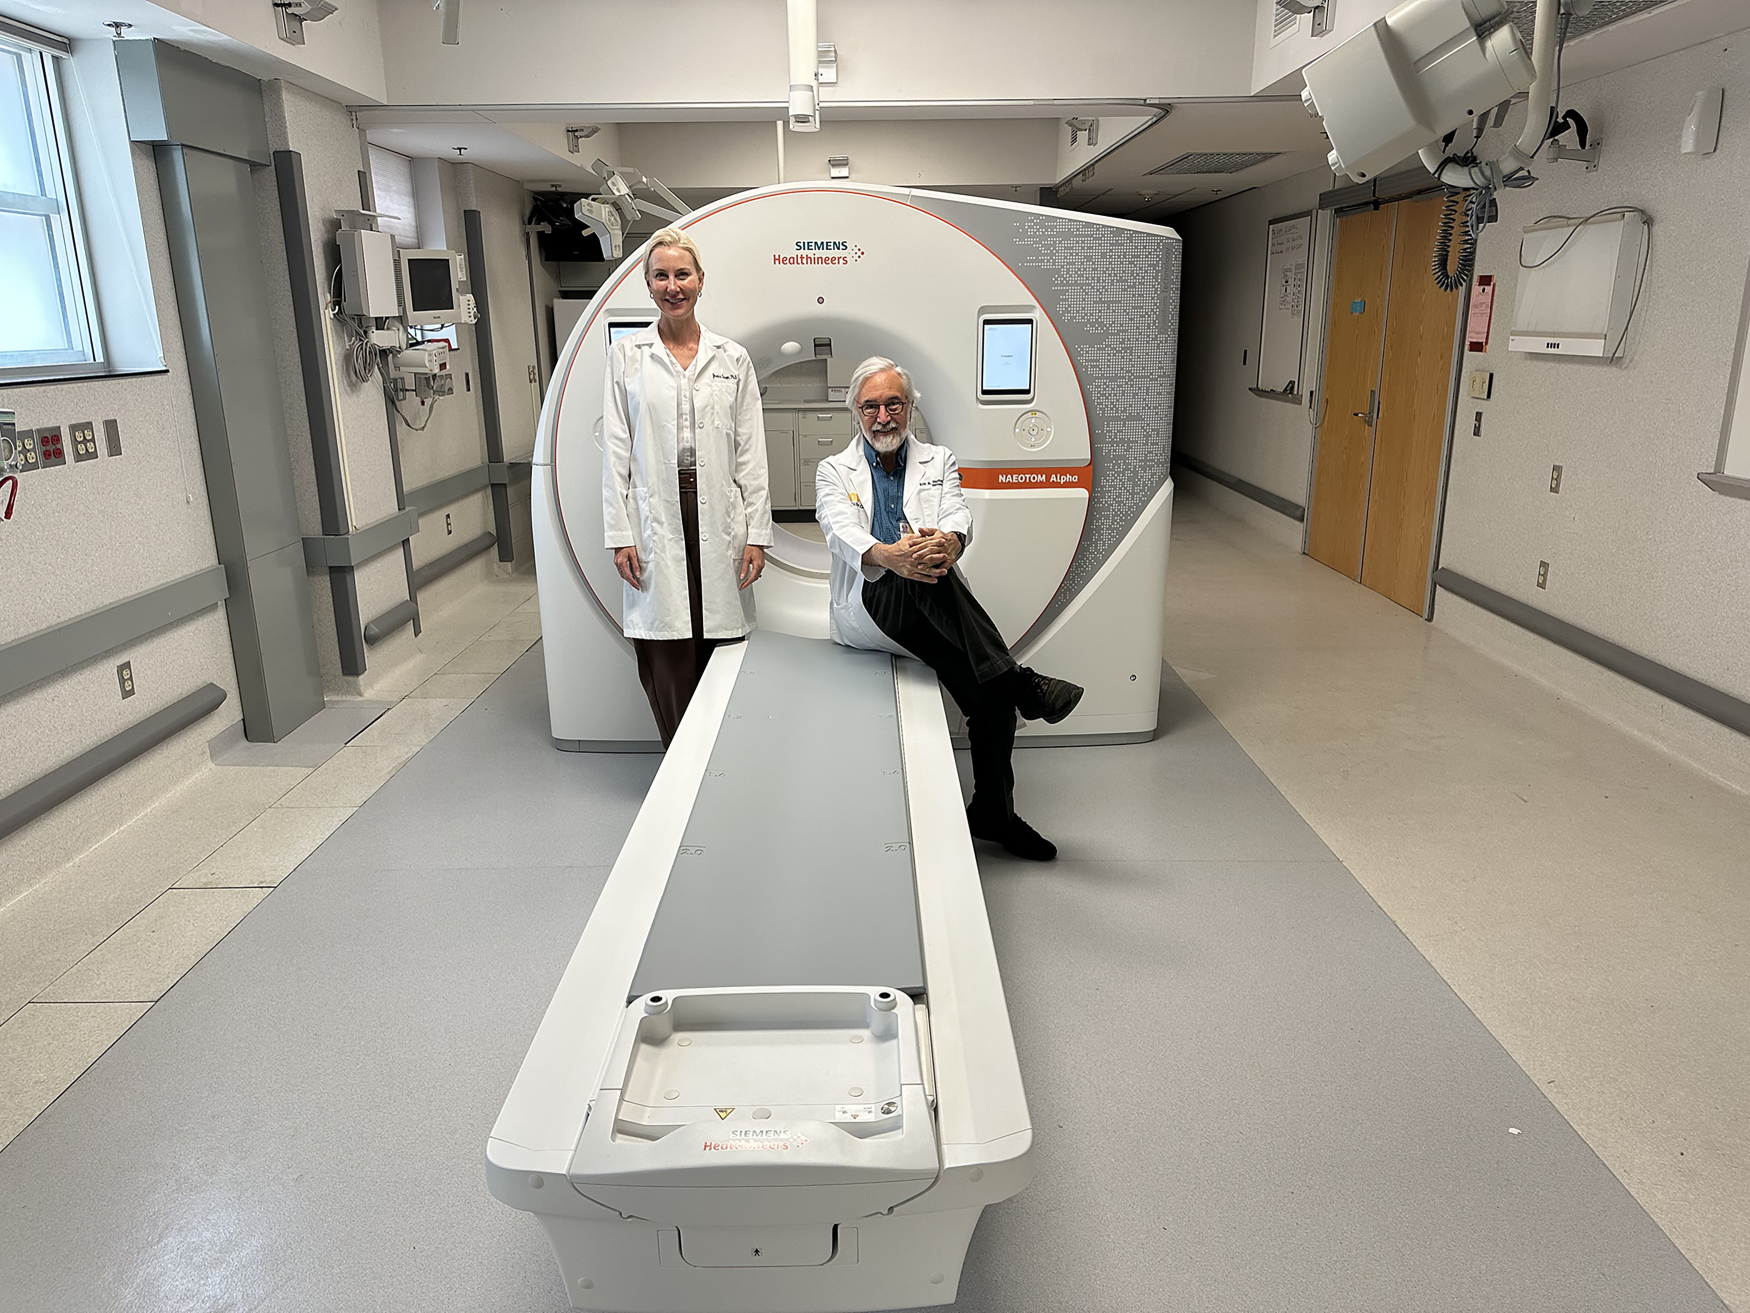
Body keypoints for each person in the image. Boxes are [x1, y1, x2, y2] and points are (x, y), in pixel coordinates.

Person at [815, 357, 1083, 861]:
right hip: (873, 603)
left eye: (894, 403)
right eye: (870, 406)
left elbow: (958, 512)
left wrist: (952, 542)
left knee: (989, 696)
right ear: (856, 411)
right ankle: (1022, 682)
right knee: (914, 564)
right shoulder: (834, 470)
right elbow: (839, 529)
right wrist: (890, 556)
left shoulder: (939, 460)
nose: (883, 416)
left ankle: (994, 813)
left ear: (910, 406)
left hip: (933, 607)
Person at [602, 227, 774, 746]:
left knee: (719, 638)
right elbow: (615, 451)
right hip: (655, 513)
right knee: (668, 648)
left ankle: (718, 757)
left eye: (682, 274)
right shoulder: (626, 356)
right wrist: (620, 534)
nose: (672, 285)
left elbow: (751, 454)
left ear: (701, 281)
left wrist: (758, 534)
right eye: (661, 276)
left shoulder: (733, 358)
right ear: (647, 284)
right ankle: (680, 763)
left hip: (719, 512)